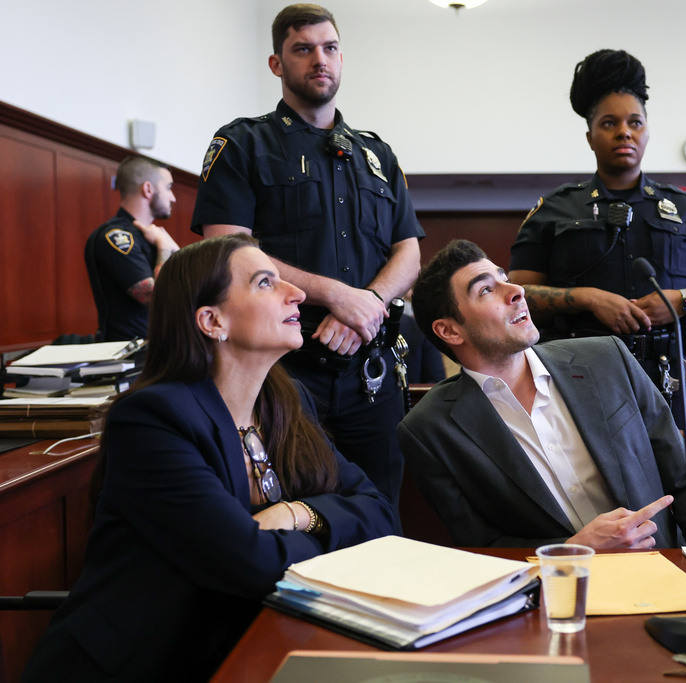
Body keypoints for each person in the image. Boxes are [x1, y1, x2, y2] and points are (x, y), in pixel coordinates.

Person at [22, 235, 395, 682]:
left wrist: (298, 514)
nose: (296, 292)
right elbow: (252, 565)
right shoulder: (153, 420)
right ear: (211, 320)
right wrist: (333, 534)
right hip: (142, 664)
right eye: (264, 283)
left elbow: (380, 513)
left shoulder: (287, 399)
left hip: (251, 648)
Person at [191, 4, 423, 503]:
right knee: (290, 513)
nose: (320, 59)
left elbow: (409, 251)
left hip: (371, 373)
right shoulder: (242, 144)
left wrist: (368, 304)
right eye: (303, 49)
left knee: (381, 519)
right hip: (281, 372)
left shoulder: (376, 155)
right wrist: (335, 294)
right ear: (277, 63)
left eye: (330, 48)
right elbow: (229, 249)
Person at [397, 239, 686, 549]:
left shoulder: (607, 358)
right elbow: (481, 546)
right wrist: (575, 549)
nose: (516, 290)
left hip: (665, 566)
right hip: (553, 592)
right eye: (486, 291)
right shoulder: (429, 429)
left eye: (504, 277)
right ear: (450, 330)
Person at [508, 49, 686, 433]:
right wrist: (588, 298)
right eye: (609, 123)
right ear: (590, 136)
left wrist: (681, 301)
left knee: (679, 485)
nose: (624, 132)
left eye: (635, 122)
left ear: (647, 130)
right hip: (578, 375)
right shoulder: (554, 210)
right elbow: (517, 297)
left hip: (674, 376)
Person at [84, 155, 180, 341]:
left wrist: (173, 250)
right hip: (129, 357)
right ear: (148, 189)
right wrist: (165, 251)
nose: (173, 197)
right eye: (168, 188)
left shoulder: (154, 236)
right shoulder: (116, 237)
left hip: (157, 350)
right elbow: (156, 298)